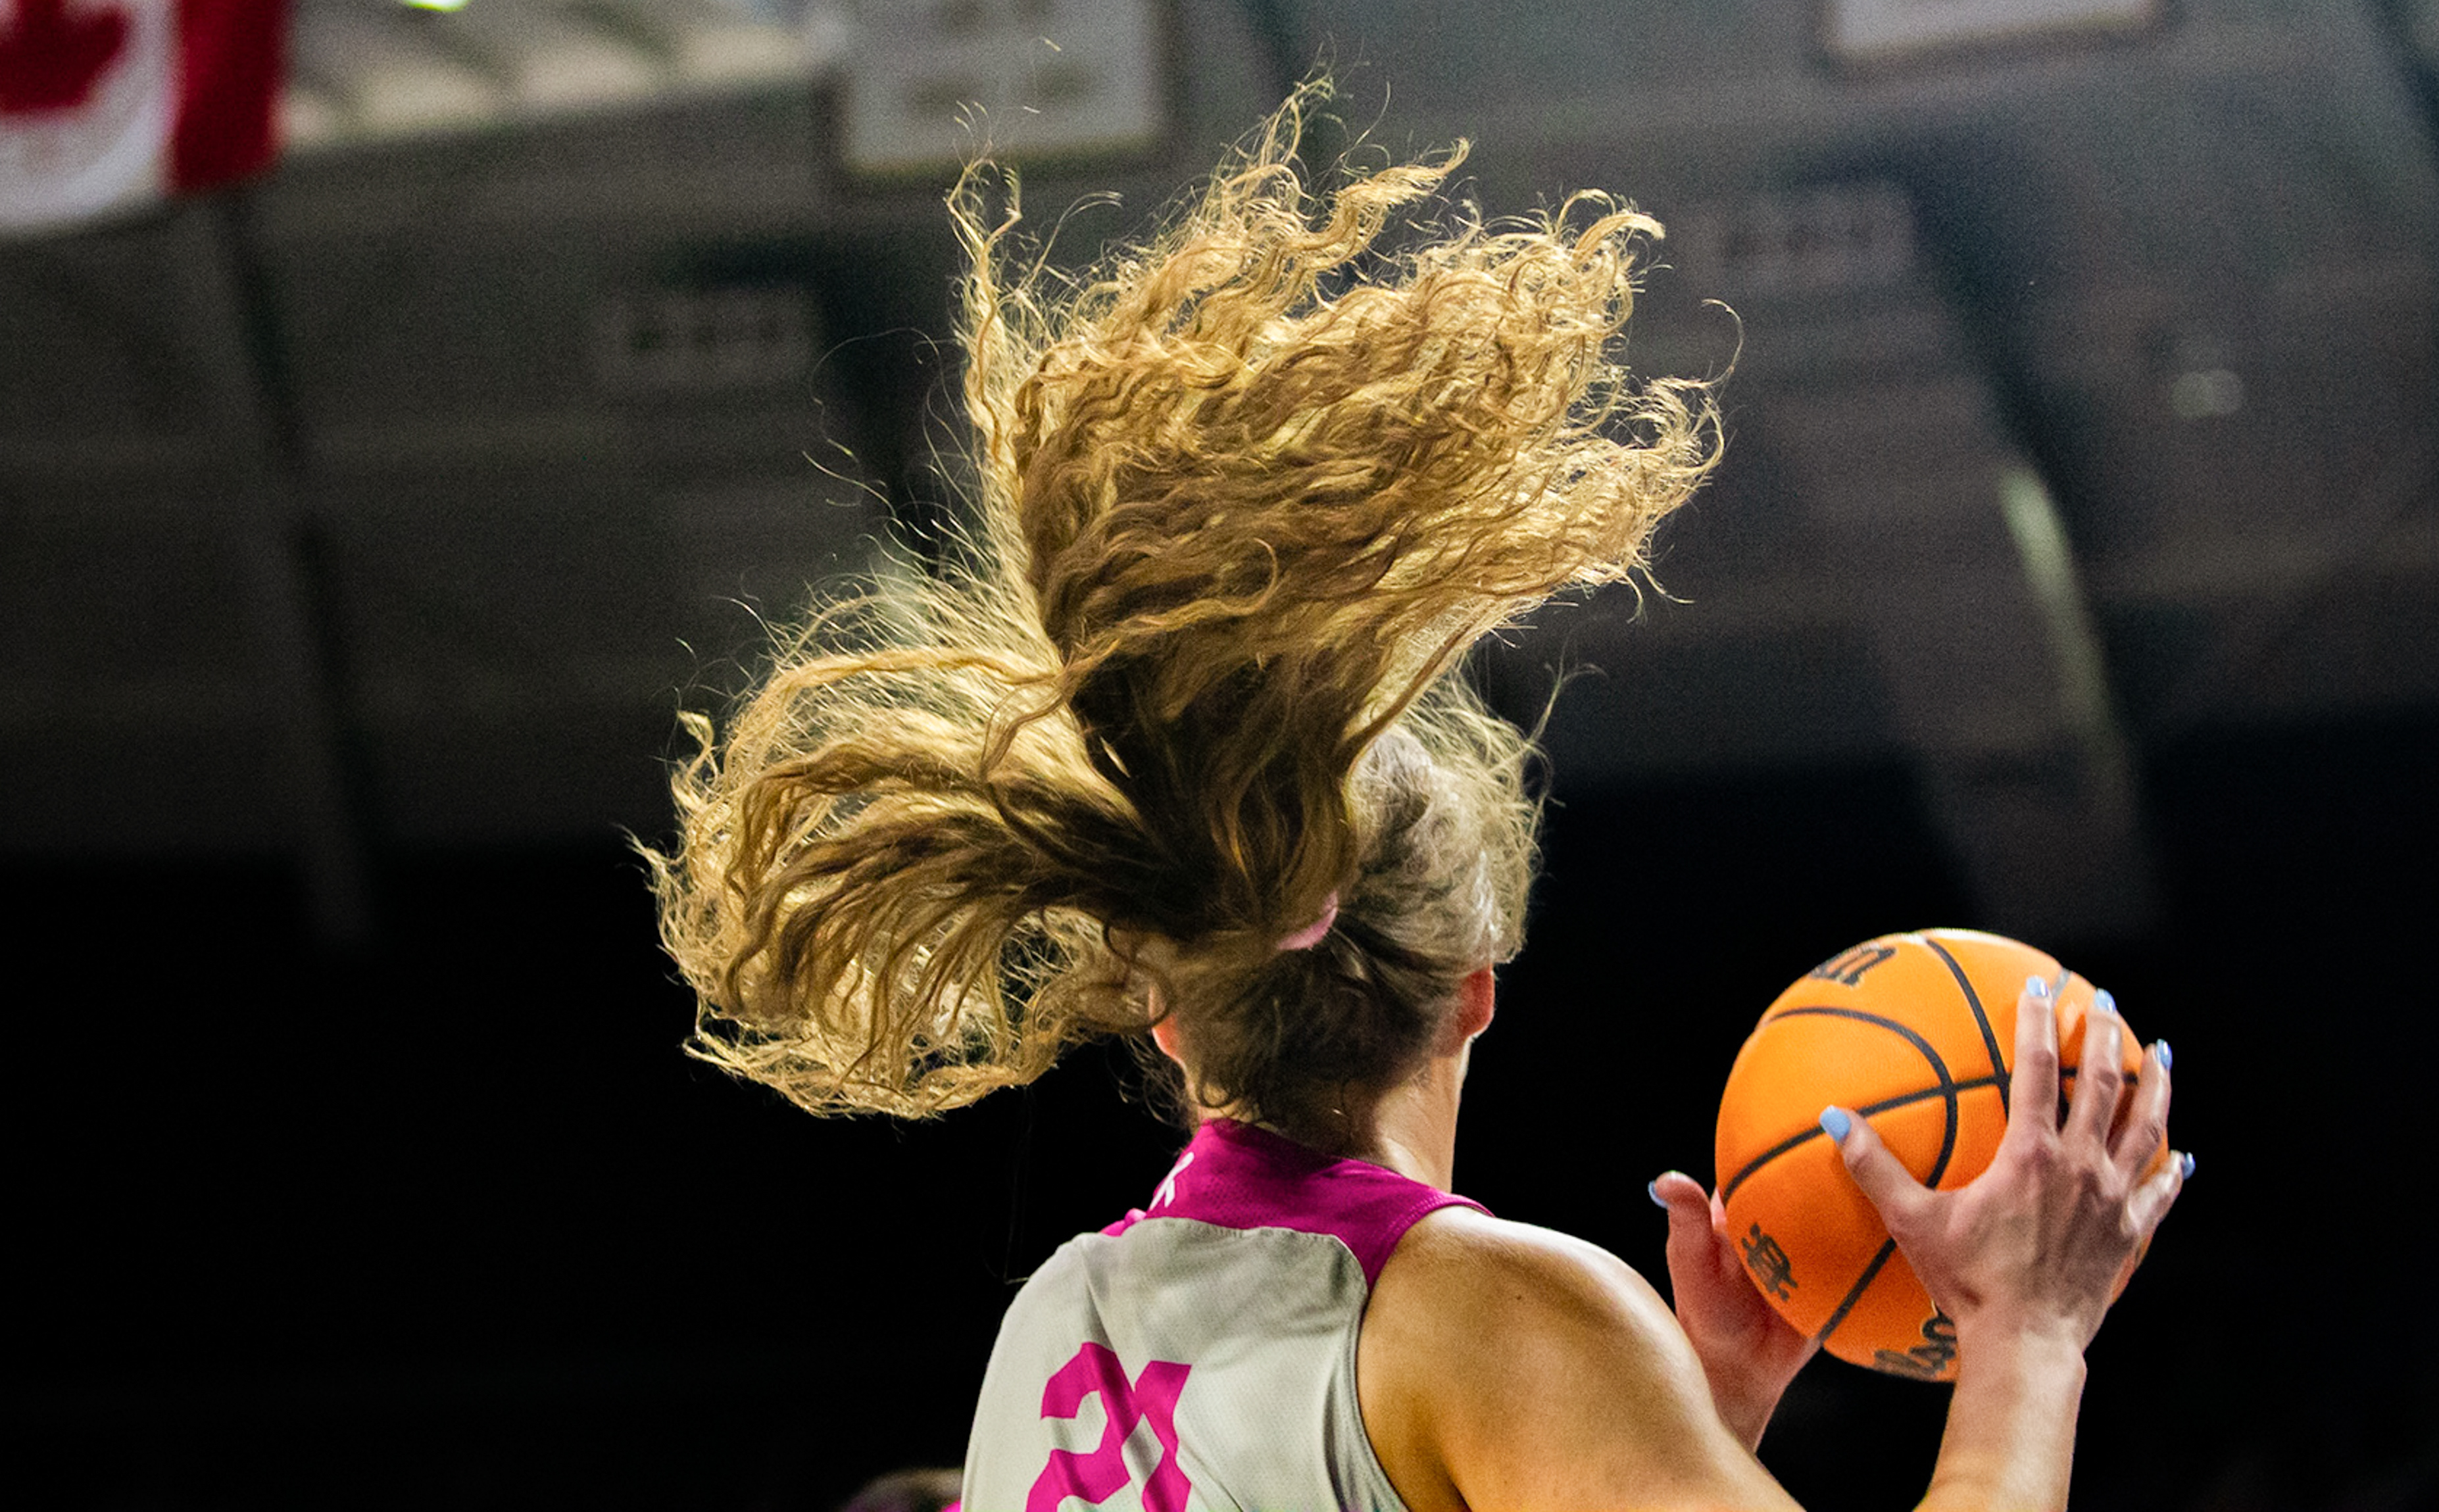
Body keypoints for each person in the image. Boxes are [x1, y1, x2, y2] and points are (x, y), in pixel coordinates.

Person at [645, 89, 2185, 1512]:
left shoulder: (1056, 1327)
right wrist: (2028, 1337)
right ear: (1473, 994)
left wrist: (1689, 1416)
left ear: (1169, 1010)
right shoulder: (1486, 1311)